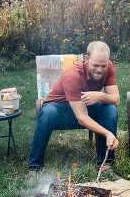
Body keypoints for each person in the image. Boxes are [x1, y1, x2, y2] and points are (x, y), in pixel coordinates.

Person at [27, 41, 121, 181]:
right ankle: (35, 167)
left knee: (110, 109)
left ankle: (105, 165)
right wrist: (107, 133)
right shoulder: (72, 75)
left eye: (103, 65)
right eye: (95, 65)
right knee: (47, 113)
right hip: (60, 110)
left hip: (84, 105)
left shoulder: (109, 67)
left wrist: (100, 95)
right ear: (86, 59)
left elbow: (116, 100)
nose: (100, 69)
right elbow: (81, 117)